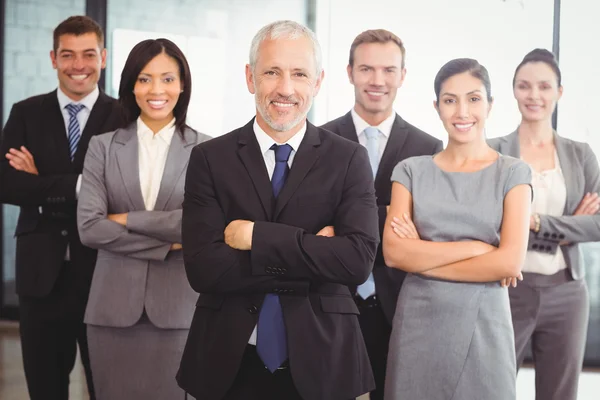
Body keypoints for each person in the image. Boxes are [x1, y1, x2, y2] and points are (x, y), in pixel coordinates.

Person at [176, 20, 379, 400]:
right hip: (229, 363)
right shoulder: (210, 159)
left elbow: (356, 262)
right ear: (251, 77)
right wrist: (315, 255)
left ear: (317, 83)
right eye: (272, 72)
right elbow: (203, 268)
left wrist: (255, 237)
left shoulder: (349, 158)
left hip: (324, 361)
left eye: (299, 74)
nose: (285, 88)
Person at [382, 58, 532, 400]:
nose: (462, 111)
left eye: (474, 98)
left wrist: (422, 256)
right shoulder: (410, 171)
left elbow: (509, 264)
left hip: (485, 327)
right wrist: (479, 249)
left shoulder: (513, 173)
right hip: (419, 325)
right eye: (450, 100)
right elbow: (394, 253)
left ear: (490, 104)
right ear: (436, 107)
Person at [76, 38, 210, 399]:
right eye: (145, 78)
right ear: (131, 85)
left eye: (168, 79)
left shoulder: (206, 150)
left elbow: (196, 227)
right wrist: (168, 241)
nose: (156, 90)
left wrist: (122, 220)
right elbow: (89, 227)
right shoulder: (103, 147)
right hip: (110, 311)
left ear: (182, 85)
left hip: (178, 312)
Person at [0, 15, 122, 400]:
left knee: (106, 384)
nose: (78, 65)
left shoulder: (123, 117)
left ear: (102, 56)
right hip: (40, 277)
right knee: (44, 387)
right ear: (53, 58)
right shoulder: (25, 112)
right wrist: (85, 184)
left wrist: (41, 181)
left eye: (88, 54)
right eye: (67, 55)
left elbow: (122, 191)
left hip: (103, 272)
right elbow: (7, 183)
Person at [320, 29, 442, 400]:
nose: (377, 81)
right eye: (367, 69)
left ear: (403, 76)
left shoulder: (428, 149)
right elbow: (310, 222)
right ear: (349, 72)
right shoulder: (320, 141)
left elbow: (426, 228)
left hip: (399, 305)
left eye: (389, 70)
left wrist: (345, 224)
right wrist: (390, 216)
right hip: (332, 301)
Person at [488, 48, 600, 400]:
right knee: (493, 387)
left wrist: (534, 222)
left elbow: (597, 225)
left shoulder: (580, 154)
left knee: (560, 394)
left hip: (567, 292)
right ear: (513, 90)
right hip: (506, 291)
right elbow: (489, 225)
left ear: (559, 92)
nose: (534, 95)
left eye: (544, 87)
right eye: (524, 86)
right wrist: (567, 227)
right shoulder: (494, 152)